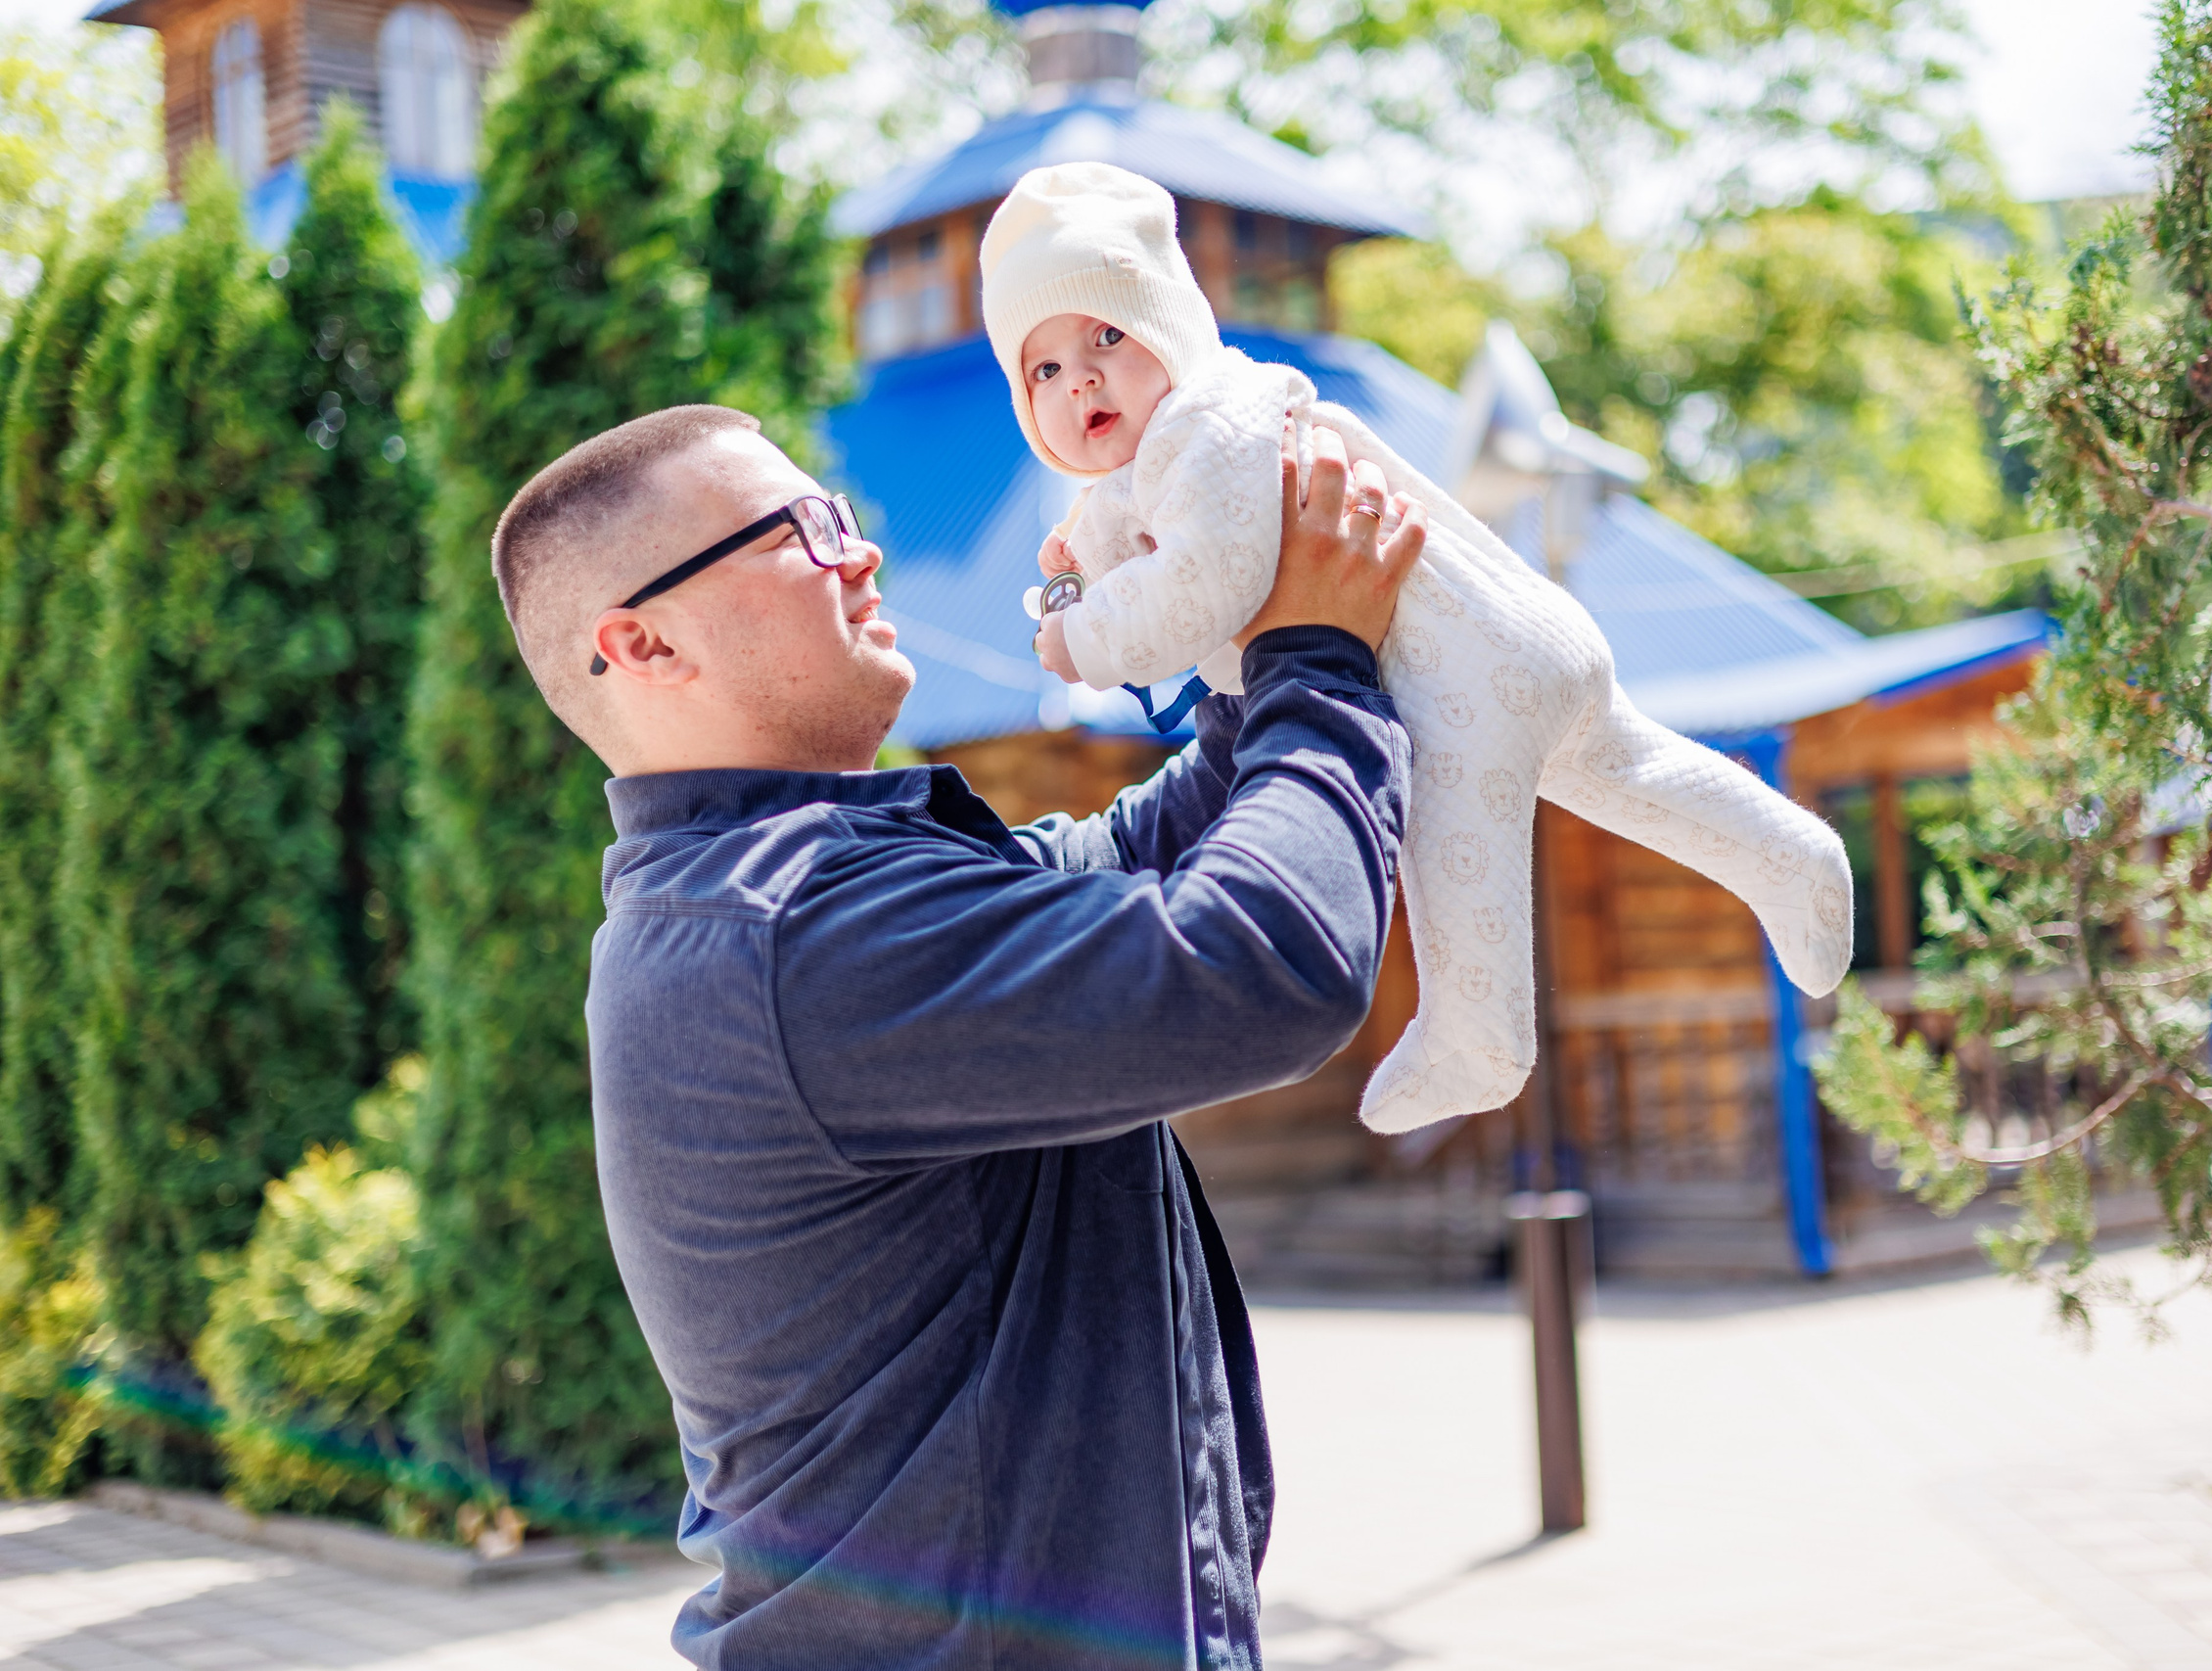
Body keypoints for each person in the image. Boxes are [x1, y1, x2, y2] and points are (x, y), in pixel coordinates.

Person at [485, 398, 1426, 1669]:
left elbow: (1132, 855)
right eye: (798, 530)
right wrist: (1320, 657)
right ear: (642, 642)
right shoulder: (792, 929)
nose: (858, 549)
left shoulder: (789, 888)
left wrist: (1239, 647)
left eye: (842, 514)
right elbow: (1264, 964)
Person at [980, 161, 1854, 1136]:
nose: (1082, 377)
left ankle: (1478, 1038)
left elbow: (1197, 590)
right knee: (1638, 776)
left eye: (1108, 333)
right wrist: (1068, 601)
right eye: (1044, 370)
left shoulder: (1214, 421)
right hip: (1523, 641)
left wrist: (1081, 634)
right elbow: (1099, 600)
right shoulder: (1136, 483)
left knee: (1449, 839)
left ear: (1176, 333)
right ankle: (1790, 858)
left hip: (1456, 678)